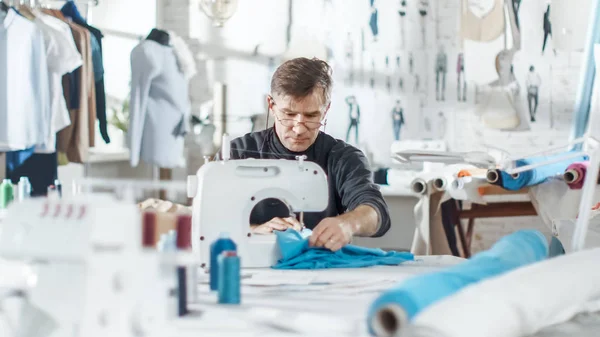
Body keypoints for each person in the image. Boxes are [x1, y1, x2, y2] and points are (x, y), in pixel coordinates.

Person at [228, 57, 391, 252]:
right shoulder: (237, 153)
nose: (298, 129)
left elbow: (376, 211)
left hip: (322, 269)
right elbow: (206, 218)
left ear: (326, 110)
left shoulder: (344, 158)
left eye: (311, 116)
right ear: (271, 105)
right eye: (288, 114)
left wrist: (348, 224)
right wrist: (253, 230)